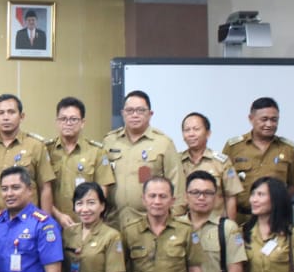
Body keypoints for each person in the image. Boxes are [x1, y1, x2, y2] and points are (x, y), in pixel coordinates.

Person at [102, 90, 184, 225]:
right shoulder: (109, 141)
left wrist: (170, 222)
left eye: (140, 110)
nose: (135, 115)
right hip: (114, 222)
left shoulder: (163, 143)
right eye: (130, 110)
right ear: (123, 113)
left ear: (150, 114)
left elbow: (177, 186)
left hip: (149, 225)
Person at [223, 97, 294, 224]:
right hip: (240, 219)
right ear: (251, 119)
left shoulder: (288, 148)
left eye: (274, 120)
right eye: (264, 119)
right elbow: (224, 184)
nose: (269, 124)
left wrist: (277, 204)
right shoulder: (234, 147)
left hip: (274, 220)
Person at [0, 95, 54, 219]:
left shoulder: (35, 145)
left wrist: (45, 222)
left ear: (21, 116)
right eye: (1, 113)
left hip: (28, 221)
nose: (6, 117)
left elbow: (45, 188)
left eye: (11, 112)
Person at [45, 97, 114, 228]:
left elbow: (102, 191)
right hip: (53, 224)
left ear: (82, 123)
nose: (68, 123)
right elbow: (41, 190)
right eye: (63, 119)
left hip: (87, 224)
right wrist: (58, 215)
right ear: (57, 122)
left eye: (73, 119)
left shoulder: (96, 152)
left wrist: (88, 216)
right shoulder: (45, 151)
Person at [179, 112, 241, 221]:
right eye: (187, 130)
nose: (191, 134)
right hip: (184, 227)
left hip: (214, 227)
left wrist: (228, 228)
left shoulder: (221, 162)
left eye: (196, 129)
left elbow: (231, 196)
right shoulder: (176, 160)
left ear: (208, 133)